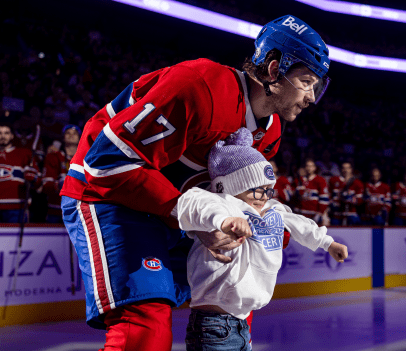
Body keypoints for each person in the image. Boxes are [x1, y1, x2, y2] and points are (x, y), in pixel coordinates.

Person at [59, 15, 331, 351]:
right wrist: (192, 218)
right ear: (274, 70)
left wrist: (264, 225)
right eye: (306, 81)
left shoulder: (271, 131)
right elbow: (105, 163)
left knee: (233, 298)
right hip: (108, 192)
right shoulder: (198, 86)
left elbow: (230, 197)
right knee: (145, 329)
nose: (311, 97)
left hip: (171, 206)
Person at [184, 129, 348, 351]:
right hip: (213, 323)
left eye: (268, 190)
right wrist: (223, 221)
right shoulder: (223, 203)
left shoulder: (271, 208)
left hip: (242, 324)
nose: (264, 197)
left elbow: (299, 223)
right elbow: (193, 203)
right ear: (234, 185)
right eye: (257, 190)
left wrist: (328, 243)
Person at [0, 122, 39, 223]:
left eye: (6, 133)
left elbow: (38, 181)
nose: (3, 136)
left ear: (12, 136)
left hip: (17, 206)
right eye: (0, 133)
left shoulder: (24, 153)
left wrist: (33, 177)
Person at [41, 124, 81, 223]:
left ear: (80, 138)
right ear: (63, 137)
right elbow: (46, 185)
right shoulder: (54, 157)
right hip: (56, 210)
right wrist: (59, 185)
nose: (71, 135)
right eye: (68, 133)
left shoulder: (86, 159)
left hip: (79, 212)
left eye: (75, 133)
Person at [293, 158, 330, 224]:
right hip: (299, 214)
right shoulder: (299, 180)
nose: (309, 168)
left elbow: (324, 199)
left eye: (311, 166)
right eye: (307, 166)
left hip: (313, 215)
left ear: (314, 168)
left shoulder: (320, 180)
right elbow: (293, 197)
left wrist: (319, 213)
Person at [329, 161, 364, 226]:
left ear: (351, 169)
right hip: (337, 214)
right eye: (343, 168)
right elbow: (329, 196)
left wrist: (350, 199)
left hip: (351, 214)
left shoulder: (357, 183)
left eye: (348, 168)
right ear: (340, 169)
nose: (345, 170)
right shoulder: (334, 180)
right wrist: (333, 203)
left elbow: (360, 201)